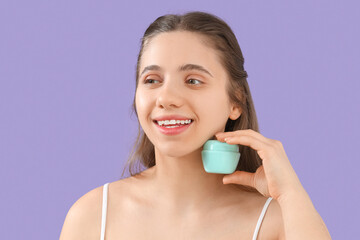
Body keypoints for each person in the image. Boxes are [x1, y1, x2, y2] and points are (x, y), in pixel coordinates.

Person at [60, 11, 331, 239]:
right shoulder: (93, 216)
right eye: (152, 80)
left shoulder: (276, 222)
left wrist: (291, 193)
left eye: (193, 81)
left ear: (235, 101)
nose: (165, 99)